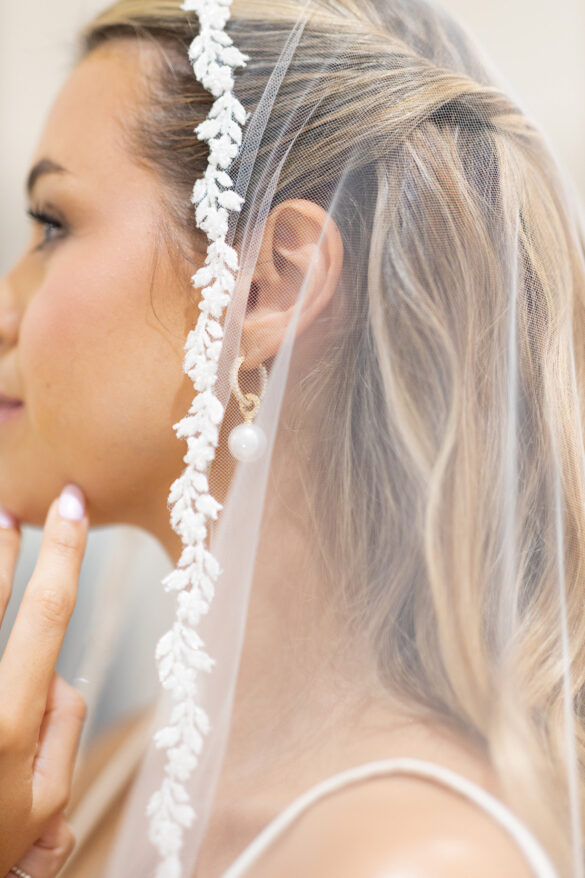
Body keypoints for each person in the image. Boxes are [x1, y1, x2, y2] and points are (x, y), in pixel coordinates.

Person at [1, 0, 584, 875]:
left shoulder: (424, 861)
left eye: (52, 224)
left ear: (269, 282)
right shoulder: (93, 777)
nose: (6, 305)